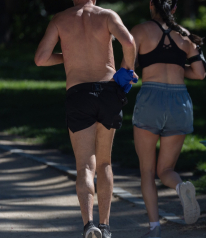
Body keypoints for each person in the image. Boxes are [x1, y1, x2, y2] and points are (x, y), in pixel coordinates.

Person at [34, 0, 137, 237]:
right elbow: (129, 42)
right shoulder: (107, 15)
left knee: (85, 166)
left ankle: (89, 225)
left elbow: (40, 58)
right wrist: (127, 71)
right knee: (104, 163)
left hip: (79, 94)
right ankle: (105, 226)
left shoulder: (60, 19)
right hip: (109, 91)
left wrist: (69, 55)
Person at [128, 0, 206, 237]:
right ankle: (181, 186)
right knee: (166, 169)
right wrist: (177, 67)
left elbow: (128, 70)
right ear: (174, 9)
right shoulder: (185, 35)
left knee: (147, 171)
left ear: (151, 5)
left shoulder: (140, 31)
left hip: (151, 97)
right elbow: (200, 73)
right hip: (179, 102)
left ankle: (154, 229)